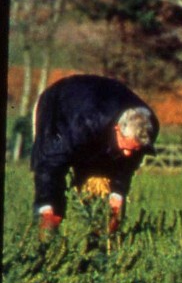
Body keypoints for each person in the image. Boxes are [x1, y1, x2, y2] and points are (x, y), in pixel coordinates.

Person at [31, 74, 159, 234]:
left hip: (99, 117)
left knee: (100, 192)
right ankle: (47, 242)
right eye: (126, 147)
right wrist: (46, 206)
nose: (127, 154)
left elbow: (128, 165)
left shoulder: (148, 126)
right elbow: (49, 162)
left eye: (134, 150)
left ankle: (98, 241)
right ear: (118, 129)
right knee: (51, 202)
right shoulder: (83, 125)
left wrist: (117, 195)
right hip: (59, 104)